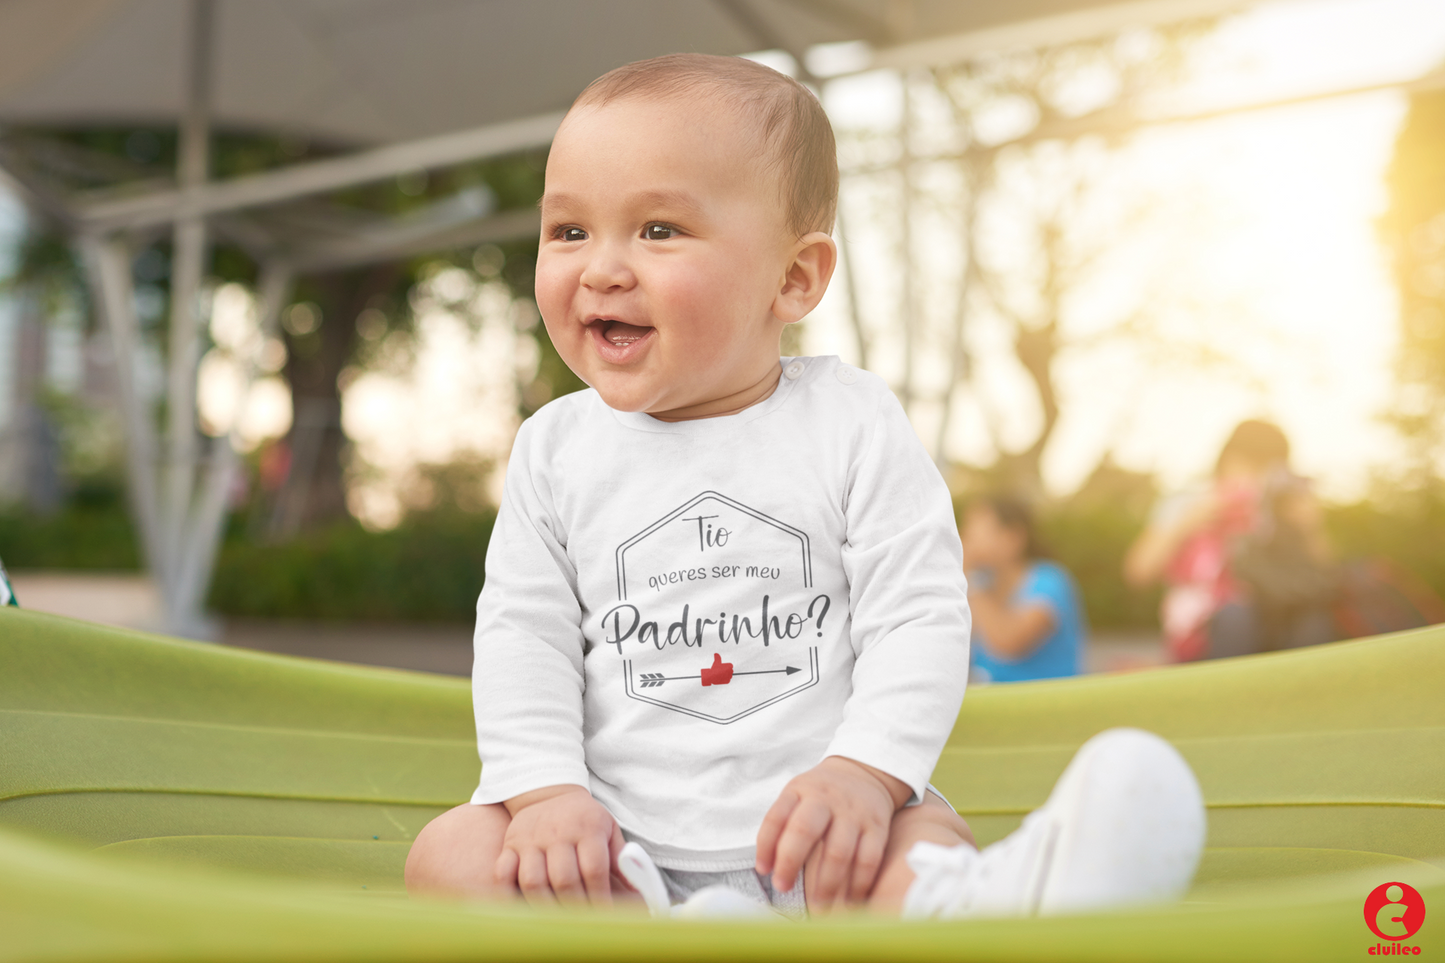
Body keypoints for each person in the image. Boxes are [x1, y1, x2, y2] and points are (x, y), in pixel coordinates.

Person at [403, 53, 1204, 918]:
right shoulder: (555, 449)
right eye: (568, 232)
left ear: (794, 277)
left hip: (826, 840)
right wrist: (546, 793)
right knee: (449, 850)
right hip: (618, 846)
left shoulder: (850, 423)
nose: (601, 268)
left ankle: (1027, 896)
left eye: (658, 230)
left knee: (920, 841)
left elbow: (917, 612)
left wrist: (864, 773)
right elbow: (525, 635)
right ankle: (666, 928)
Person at [1124, 419, 1335, 661]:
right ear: (1226, 458)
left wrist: (1310, 528)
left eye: (1267, 468)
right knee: (1237, 616)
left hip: (1276, 618)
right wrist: (1189, 521)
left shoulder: (1280, 510)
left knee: (1313, 617)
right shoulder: (1188, 502)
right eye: (1249, 463)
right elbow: (1138, 572)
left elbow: (1321, 572)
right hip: (1208, 630)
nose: (1255, 476)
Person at [960, 496, 1084, 683]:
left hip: (1046, 705)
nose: (967, 538)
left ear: (1013, 538)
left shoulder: (1050, 581)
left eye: (979, 530)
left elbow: (1009, 643)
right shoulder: (984, 584)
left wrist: (971, 581)